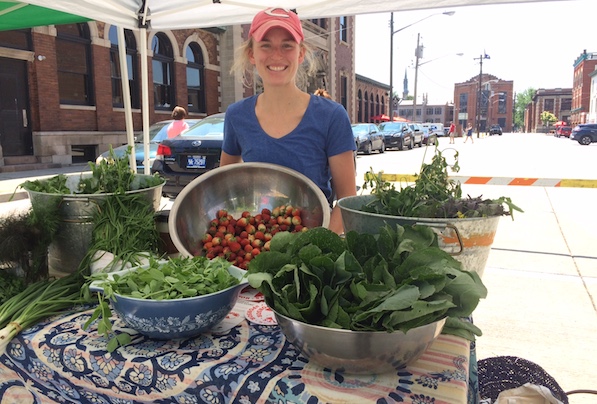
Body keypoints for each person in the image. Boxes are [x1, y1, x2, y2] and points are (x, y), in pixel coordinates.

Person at [221, 8, 356, 235]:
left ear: (300, 54)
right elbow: (223, 188)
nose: (276, 55)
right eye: (265, 44)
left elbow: (347, 201)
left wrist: (320, 248)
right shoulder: (237, 116)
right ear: (252, 54)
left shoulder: (331, 116)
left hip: (314, 249)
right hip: (257, 246)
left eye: (287, 45)